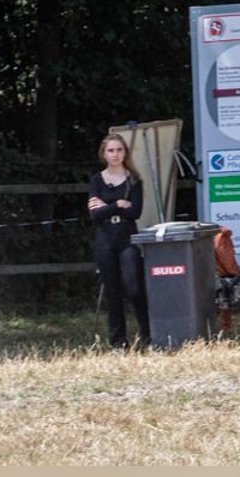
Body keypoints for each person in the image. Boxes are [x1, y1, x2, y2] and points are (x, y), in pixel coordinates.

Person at [88, 132, 150, 349]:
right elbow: (95, 215)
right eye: (111, 150)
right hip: (105, 238)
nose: (115, 154)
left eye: (119, 150)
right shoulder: (97, 180)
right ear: (104, 154)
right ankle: (118, 342)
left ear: (125, 153)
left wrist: (106, 206)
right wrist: (117, 205)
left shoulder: (134, 180)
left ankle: (148, 336)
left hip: (127, 236)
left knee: (134, 287)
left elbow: (136, 212)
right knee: (112, 291)